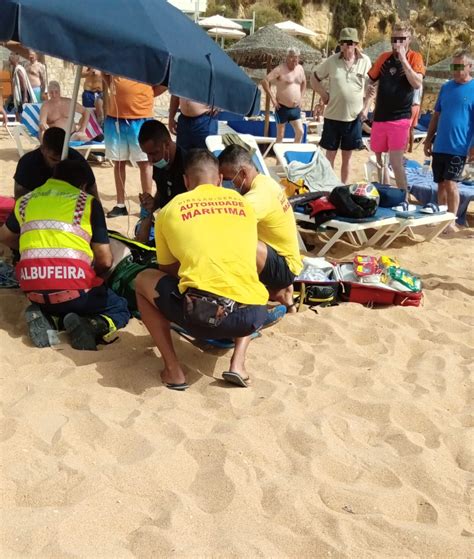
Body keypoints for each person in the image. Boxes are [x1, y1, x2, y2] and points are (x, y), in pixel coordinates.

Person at [135, 149, 268, 390]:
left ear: (186, 181)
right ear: (219, 178)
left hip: (201, 315)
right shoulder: (245, 205)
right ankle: (238, 363)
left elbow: (167, 269)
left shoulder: (169, 211)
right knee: (245, 277)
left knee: (143, 280)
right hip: (253, 316)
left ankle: (174, 370)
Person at [0, 160, 130, 350]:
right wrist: (95, 272)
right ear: (83, 185)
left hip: (32, 288)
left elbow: (4, 236)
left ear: (53, 176)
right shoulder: (86, 203)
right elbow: (105, 259)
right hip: (74, 291)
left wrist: (27, 249)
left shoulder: (25, 201)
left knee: (59, 299)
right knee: (119, 308)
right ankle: (92, 325)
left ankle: (49, 318)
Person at [218, 144, 302, 311]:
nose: (228, 184)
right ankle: (280, 293)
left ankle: (257, 295)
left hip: (284, 267)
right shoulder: (265, 182)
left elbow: (226, 225)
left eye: (228, 179)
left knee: (233, 244)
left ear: (242, 173)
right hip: (286, 259)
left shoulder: (257, 197)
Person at [361, 23, 425, 190]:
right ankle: (386, 194)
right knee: (379, 161)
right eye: (394, 39)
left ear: (408, 40)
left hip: (400, 118)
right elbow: (371, 78)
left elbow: (417, 83)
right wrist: (369, 87)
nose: (397, 42)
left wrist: (403, 59)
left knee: (396, 162)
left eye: (401, 39)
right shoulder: (384, 58)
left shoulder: (414, 57)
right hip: (380, 116)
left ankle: (404, 197)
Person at [310, 28, 371, 183]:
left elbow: (373, 87)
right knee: (329, 156)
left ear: (356, 44)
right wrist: (324, 95)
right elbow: (314, 78)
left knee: (347, 157)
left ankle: (343, 188)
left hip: (353, 118)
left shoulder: (365, 61)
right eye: (342, 42)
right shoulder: (332, 61)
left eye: (349, 43)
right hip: (332, 117)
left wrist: (366, 107)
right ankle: (329, 186)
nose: (346, 46)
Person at [424, 50, 474, 231]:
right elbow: (436, 115)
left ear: (470, 67)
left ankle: (451, 221)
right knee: (441, 183)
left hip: (459, 146)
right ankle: (441, 216)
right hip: (440, 144)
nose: (455, 70)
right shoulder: (446, 87)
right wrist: (428, 139)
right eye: (453, 66)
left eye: (459, 66)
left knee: (452, 183)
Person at [103, 76, 166, 217]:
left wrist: (146, 95)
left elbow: (164, 83)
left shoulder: (145, 59)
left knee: (145, 163)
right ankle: (120, 204)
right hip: (116, 118)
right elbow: (106, 76)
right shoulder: (115, 58)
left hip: (140, 117)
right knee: (118, 162)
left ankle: (146, 206)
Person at [136, 119, 187, 243]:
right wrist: (151, 204)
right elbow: (163, 192)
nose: (150, 160)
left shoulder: (189, 166)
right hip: (168, 223)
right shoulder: (160, 164)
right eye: (147, 154)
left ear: (167, 144)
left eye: (154, 153)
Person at [13, 127, 99, 200]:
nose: (58, 164)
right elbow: (19, 195)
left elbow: (92, 190)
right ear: (42, 149)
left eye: (62, 160)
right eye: (53, 159)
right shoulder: (27, 163)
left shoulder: (77, 160)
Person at [261, 47, 306, 143]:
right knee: (280, 135)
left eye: (297, 58)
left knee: (300, 132)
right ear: (287, 57)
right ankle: (278, 157)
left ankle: (294, 153)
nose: (295, 60)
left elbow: (304, 82)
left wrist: (301, 98)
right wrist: (272, 98)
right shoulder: (280, 69)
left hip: (295, 108)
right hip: (282, 107)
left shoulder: (300, 69)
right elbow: (264, 81)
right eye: (293, 58)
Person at [9, 52, 34, 120]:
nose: (9, 61)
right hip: (22, 94)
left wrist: (25, 96)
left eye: (10, 59)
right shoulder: (17, 68)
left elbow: (23, 82)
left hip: (23, 94)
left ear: (14, 60)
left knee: (23, 114)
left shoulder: (18, 69)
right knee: (18, 112)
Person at [407, 83, 422, 153]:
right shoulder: (420, 84)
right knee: (411, 129)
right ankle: (410, 148)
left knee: (407, 128)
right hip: (417, 106)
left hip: (412, 106)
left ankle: (404, 148)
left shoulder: (413, 83)